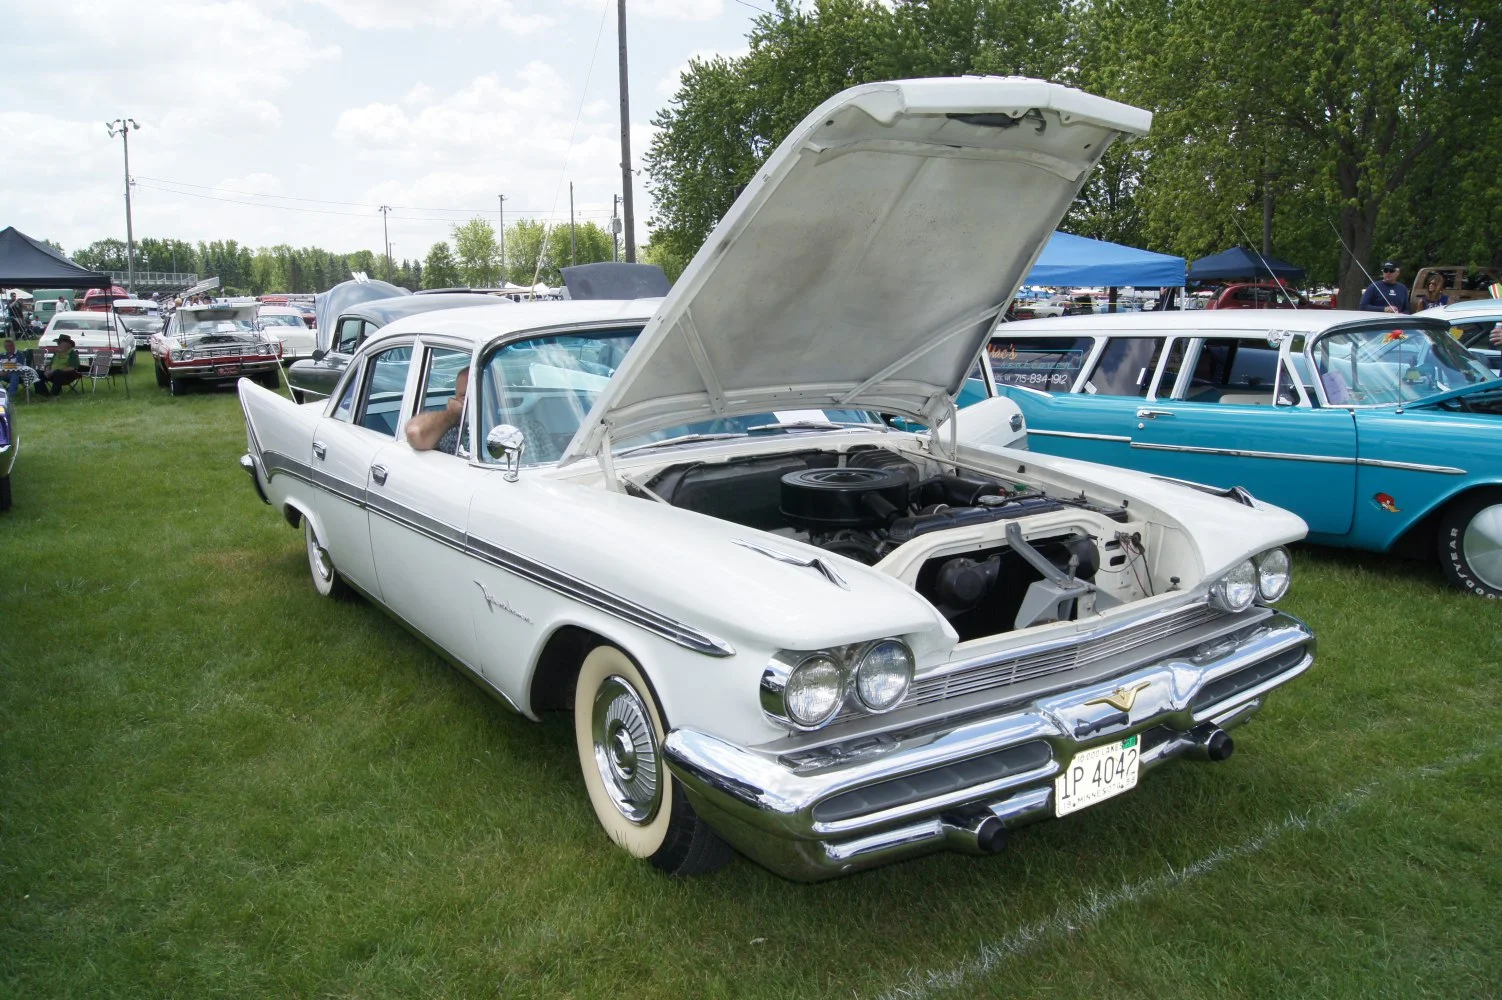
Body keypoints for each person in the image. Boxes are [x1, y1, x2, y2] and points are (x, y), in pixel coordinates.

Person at [405, 368, 468, 454]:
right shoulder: (449, 427)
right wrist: (452, 415)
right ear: (456, 399)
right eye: (464, 396)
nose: (474, 400)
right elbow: (415, 432)